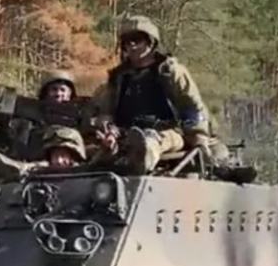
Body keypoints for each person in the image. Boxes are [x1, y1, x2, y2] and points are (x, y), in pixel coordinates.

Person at [88, 15, 215, 173]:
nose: (132, 45)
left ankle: (142, 159)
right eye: (127, 41)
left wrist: (199, 139)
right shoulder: (118, 77)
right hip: (125, 134)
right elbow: (106, 112)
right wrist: (108, 127)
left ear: (151, 42)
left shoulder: (170, 72)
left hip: (168, 133)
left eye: (137, 39)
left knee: (150, 141)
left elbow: (192, 108)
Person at [0, 126, 88, 179]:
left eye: (63, 155)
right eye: (55, 155)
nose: (59, 160)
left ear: (75, 156)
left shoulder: (83, 173)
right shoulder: (44, 168)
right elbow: (27, 167)